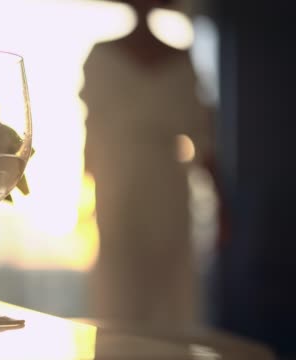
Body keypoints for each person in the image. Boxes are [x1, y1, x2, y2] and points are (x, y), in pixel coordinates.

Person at [81, 0, 213, 328]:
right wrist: (86, 190)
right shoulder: (101, 55)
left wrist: (221, 201)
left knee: (170, 277)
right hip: (117, 179)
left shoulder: (180, 59)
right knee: (119, 276)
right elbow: (93, 126)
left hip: (166, 180)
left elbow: (202, 132)